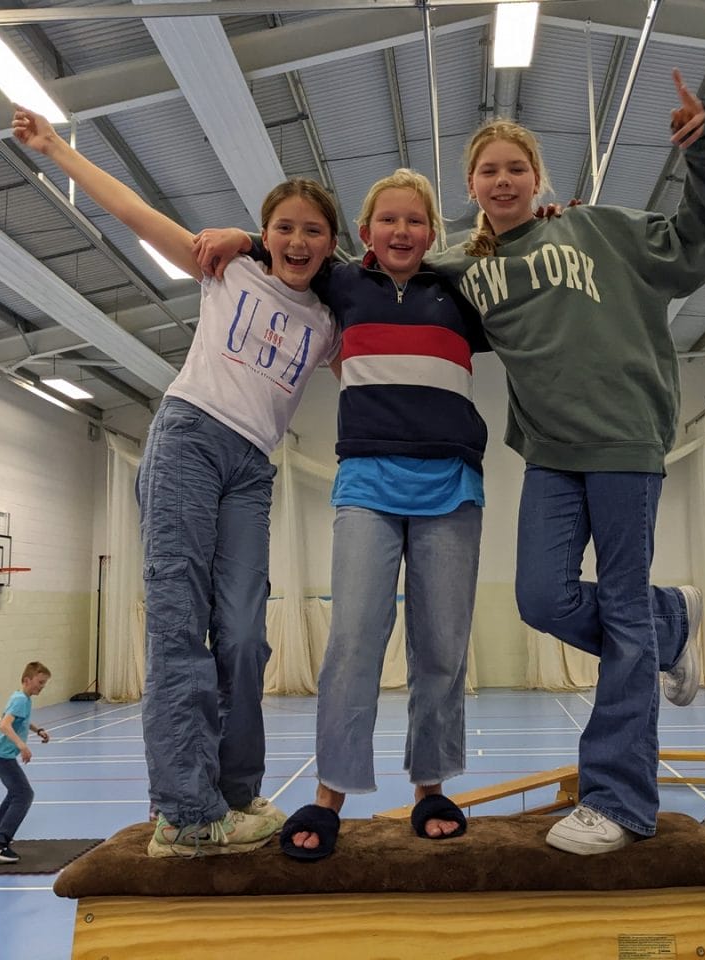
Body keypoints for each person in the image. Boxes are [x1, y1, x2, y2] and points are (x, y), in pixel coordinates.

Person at [429, 68, 705, 855]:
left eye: (516, 168)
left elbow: (697, 241)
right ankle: (670, 618)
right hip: (549, 454)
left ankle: (619, 801)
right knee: (542, 598)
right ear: (470, 186)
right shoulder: (466, 270)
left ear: (539, 179)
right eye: (488, 170)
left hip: (624, 439)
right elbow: (383, 268)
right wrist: (265, 248)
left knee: (623, 617)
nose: (503, 180)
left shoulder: (597, 230)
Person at [12, 106, 340, 858]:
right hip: (190, 439)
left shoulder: (328, 321)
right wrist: (56, 147)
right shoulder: (229, 269)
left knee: (246, 637)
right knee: (178, 628)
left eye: (312, 231)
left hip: (252, 467)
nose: (296, 241)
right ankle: (185, 814)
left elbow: (403, 287)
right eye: (282, 228)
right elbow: (134, 212)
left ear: (330, 243)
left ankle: (235, 795)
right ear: (266, 234)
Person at [193, 168, 490, 859]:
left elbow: (521, 287)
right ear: (364, 232)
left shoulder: (458, 290)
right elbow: (294, 248)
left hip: (451, 483)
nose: (401, 230)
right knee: (352, 642)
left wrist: (545, 227)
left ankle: (429, 787)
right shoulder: (344, 283)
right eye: (388, 219)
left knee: (441, 648)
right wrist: (244, 237)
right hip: (367, 483)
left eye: (414, 220)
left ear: (432, 232)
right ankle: (331, 793)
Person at [0, 662, 51, 864]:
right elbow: (5, 725)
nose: (42, 687)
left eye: (44, 683)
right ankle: (1, 843)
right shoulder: (20, 699)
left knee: (15, 793)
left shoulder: (22, 698)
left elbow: (20, 720)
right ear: (27, 680)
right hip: (2, 756)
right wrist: (22, 745)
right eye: (40, 682)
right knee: (24, 794)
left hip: (3, 755)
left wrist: (38, 730)